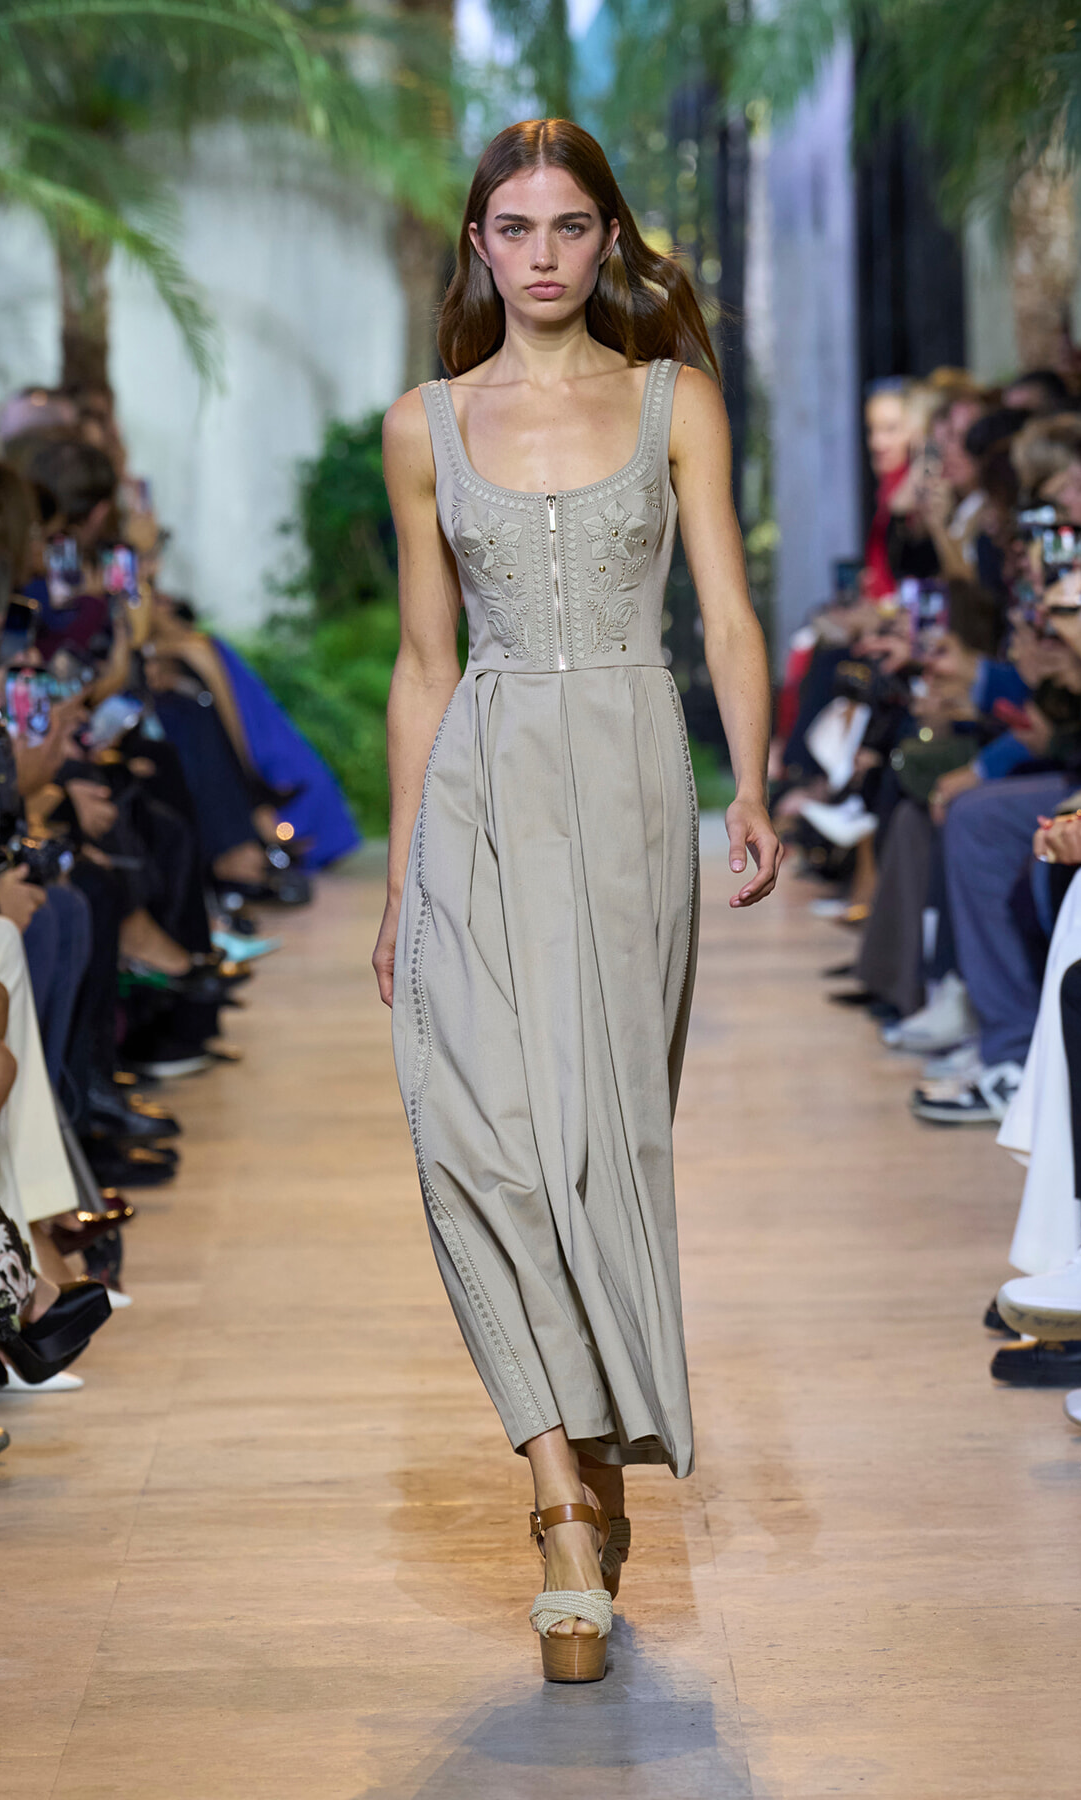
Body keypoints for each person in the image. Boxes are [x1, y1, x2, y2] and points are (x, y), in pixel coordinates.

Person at [372, 118, 782, 1685]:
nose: (541, 255)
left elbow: (729, 610)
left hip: (622, 778)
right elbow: (423, 663)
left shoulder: (676, 401)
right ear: (479, 244)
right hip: (479, 777)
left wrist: (747, 785)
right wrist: (405, 874)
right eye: (514, 228)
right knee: (475, 1132)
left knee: (596, 1141)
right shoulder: (427, 425)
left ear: (611, 238)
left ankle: (597, 1474)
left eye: (570, 227)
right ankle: (557, 1493)